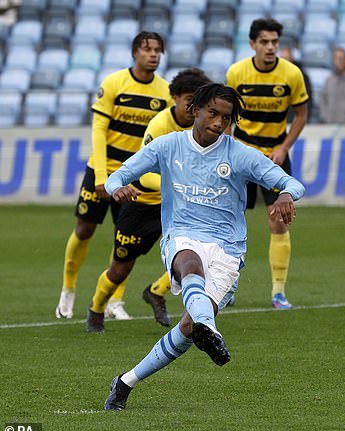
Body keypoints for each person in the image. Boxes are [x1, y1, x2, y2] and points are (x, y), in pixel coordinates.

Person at [101, 83, 305, 410]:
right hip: (181, 235)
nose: (218, 122)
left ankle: (126, 381)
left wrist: (284, 195)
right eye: (212, 113)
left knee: (186, 328)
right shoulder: (168, 146)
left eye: (226, 117)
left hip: (227, 249)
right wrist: (117, 188)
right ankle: (209, 328)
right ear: (195, 110)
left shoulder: (239, 154)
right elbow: (119, 174)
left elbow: (292, 183)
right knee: (188, 262)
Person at [55, 31, 172, 321]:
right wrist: (101, 175)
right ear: (135, 52)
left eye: (158, 49)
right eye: (147, 49)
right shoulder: (113, 83)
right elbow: (98, 130)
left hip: (134, 175)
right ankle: (68, 290)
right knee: (84, 230)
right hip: (102, 169)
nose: (153, 54)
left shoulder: (166, 92)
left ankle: (114, 301)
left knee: (123, 238)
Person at [85, 68, 212, 332]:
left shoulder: (207, 128)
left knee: (199, 257)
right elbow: (143, 174)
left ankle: (157, 292)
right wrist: (176, 185)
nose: (193, 106)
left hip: (180, 206)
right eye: (189, 98)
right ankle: (97, 308)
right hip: (144, 203)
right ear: (174, 97)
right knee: (119, 269)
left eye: (199, 100)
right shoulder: (160, 125)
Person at [225, 18, 309, 309]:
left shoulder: (291, 74)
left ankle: (278, 292)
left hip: (275, 158)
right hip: (241, 156)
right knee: (229, 222)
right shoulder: (237, 73)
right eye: (265, 42)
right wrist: (226, 150)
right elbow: (226, 115)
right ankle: (228, 285)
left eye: (275, 42)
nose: (271, 47)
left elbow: (300, 114)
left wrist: (284, 148)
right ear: (253, 44)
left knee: (278, 221)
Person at [279, 45, 312, 122]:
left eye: (287, 59)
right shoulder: (273, 76)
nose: (285, 62)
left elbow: (307, 100)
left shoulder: (302, 76)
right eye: (283, 59)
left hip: (296, 119)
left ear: (292, 59)